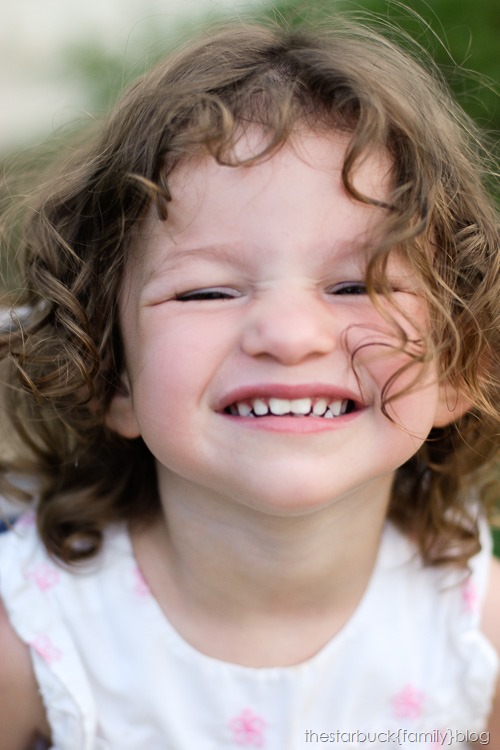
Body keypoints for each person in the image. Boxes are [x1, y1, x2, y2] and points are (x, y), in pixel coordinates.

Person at [0, 16, 499, 750]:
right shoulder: (31, 638)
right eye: (206, 293)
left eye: (358, 285)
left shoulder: (473, 634)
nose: (290, 336)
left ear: (458, 361)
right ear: (111, 371)